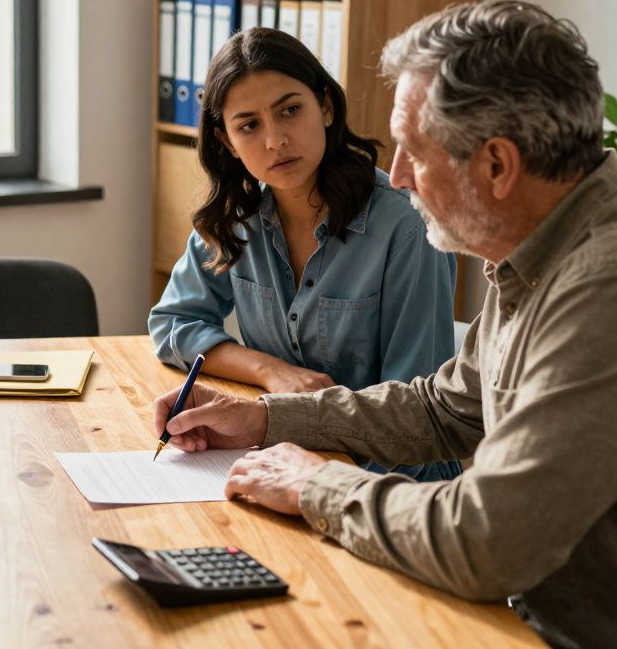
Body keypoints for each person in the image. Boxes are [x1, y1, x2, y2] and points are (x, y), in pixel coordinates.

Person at [150, 0, 617, 649]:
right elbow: (440, 408)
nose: (397, 175)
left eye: (414, 150)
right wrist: (261, 418)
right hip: (517, 621)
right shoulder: (545, 257)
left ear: (495, 164)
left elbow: (489, 540)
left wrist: (315, 484)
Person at [148, 27, 460, 482]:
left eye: (290, 110)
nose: (275, 140)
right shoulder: (237, 216)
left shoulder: (406, 226)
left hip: (391, 483)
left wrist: (310, 472)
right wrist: (273, 372)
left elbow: (417, 414)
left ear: (326, 108)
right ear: (226, 142)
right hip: (282, 462)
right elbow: (173, 322)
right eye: (249, 125)